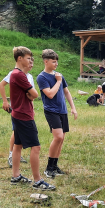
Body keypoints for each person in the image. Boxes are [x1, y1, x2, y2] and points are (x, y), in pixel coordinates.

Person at [9, 46, 55, 190]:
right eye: (28, 58)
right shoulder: (19, 75)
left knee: (18, 145)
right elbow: (34, 94)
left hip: (18, 114)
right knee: (36, 147)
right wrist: (30, 95)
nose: (31, 61)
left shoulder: (17, 74)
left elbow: (31, 94)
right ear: (20, 58)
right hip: (23, 115)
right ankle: (38, 181)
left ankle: (16, 176)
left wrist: (29, 94)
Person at [37, 49, 78, 178]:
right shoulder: (42, 77)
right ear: (46, 61)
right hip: (51, 110)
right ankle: (48, 168)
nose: (56, 64)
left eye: (57, 62)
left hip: (62, 110)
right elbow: (49, 94)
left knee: (62, 139)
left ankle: (55, 166)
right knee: (58, 137)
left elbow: (66, 92)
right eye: (54, 62)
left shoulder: (59, 75)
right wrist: (58, 81)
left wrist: (73, 107)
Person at [0, 58, 35, 167]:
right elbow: (1, 85)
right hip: (17, 109)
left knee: (19, 133)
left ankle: (17, 154)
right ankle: (11, 155)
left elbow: (31, 95)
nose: (31, 65)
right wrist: (5, 101)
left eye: (32, 63)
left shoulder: (30, 77)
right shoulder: (14, 74)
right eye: (29, 62)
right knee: (16, 131)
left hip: (27, 110)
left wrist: (32, 108)